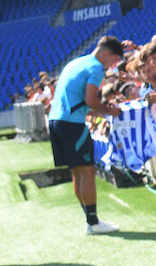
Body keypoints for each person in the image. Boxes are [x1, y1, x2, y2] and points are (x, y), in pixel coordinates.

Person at [49, 36, 126, 235]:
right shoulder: (96, 68)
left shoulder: (75, 62)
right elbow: (91, 100)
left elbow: (76, 101)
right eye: (114, 61)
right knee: (87, 172)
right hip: (71, 125)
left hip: (56, 121)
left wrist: (98, 110)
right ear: (106, 54)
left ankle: (90, 220)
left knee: (77, 172)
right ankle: (93, 222)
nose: (112, 67)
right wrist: (110, 111)